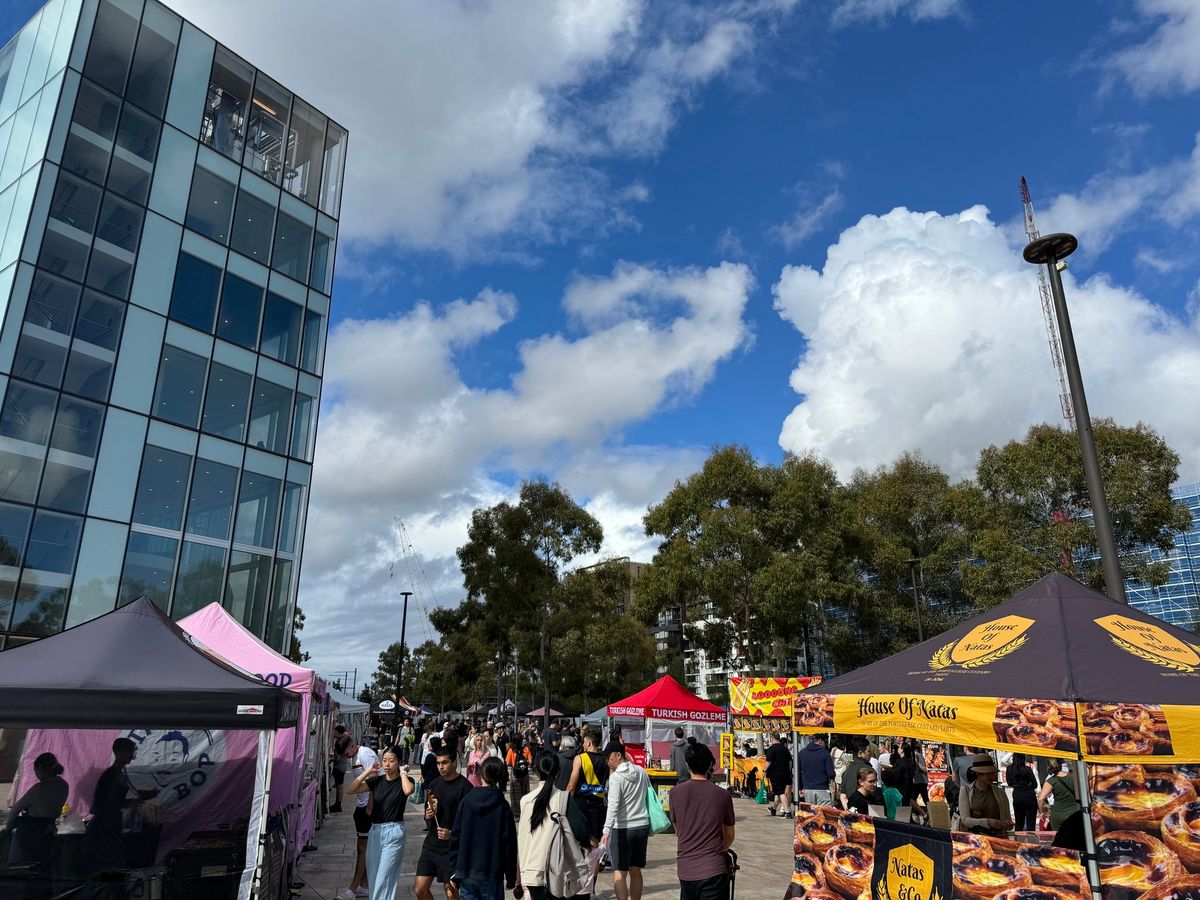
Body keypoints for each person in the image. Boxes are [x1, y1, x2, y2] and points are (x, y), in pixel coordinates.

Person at [517, 753, 594, 900]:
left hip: (531, 871)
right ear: (558, 772)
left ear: (536, 771)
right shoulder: (563, 799)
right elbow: (582, 830)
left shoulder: (525, 801)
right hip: (557, 872)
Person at [346, 746, 414, 900]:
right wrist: (368, 772)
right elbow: (350, 790)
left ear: (399, 762)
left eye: (392, 760)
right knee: (375, 877)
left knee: (384, 878)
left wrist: (403, 772)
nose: (387, 764)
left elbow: (408, 791)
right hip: (375, 832)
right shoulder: (377, 781)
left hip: (394, 832)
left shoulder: (405, 780)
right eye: (384, 760)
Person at [669, 743, 735, 900]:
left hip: (686, 868)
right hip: (714, 867)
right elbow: (730, 833)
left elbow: (678, 830)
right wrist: (719, 850)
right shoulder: (722, 795)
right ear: (710, 765)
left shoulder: (675, 793)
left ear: (687, 765)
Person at [83, 738, 156, 878]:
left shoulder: (117, 775)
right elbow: (108, 804)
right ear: (118, 752)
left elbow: (114, 801)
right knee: (108, 870)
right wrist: (134, 802)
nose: (132, 756)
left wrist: (137, 799)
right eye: (129, 752)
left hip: (110, 826)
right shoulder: (112, 775)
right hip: (105, 829)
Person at [449, 757, 517, 900]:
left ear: (481, 774)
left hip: (467, 869)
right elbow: (509, 845)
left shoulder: (467, 800)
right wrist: (511, 876)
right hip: (492, 871)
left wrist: (454, 869)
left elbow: (456, 836)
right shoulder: (502, 806)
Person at [416, 744, 474, 900]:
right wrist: (428, 814)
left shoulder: (466, 787)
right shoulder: (434, 784)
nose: (440, 767)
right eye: (438, 763)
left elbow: (471, 823)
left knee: (451, 892)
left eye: (444, 762)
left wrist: (452, 834)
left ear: (454, 762)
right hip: (431, 845)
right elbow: (430, 809)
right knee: (420, 889)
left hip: (452, 849)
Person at [6, 750, 69, 879]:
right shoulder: (64, 786)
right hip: (48, 831)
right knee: (40, 868)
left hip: (29, 831)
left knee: (16, 866)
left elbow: (15, 810)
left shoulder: (39, 789)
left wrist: (8, 828)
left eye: (35, 770)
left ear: (41, 769)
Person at [602, 741, 650, 900]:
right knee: (636, 870)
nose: (607, 761)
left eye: (608, 757)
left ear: (618, 755)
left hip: (622, 828)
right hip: (642, 826)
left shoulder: (616, 777)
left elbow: (613, 806)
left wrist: (606, 830)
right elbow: (648, 793)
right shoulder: (641, 771)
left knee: (619, 873)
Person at [336, 735, 380, 900]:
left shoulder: (365, 754)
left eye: (346, 751)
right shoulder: (355, 755)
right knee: (363, 848)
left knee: (363, 849)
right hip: (361, 806)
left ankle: (353, 888)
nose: (345, 755)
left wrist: (370, 804)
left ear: (352, 745)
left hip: (367, 808)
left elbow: (375, 778)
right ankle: (364, 885)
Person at [567, 725, 610, 847]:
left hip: (581, 804)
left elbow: (571, 785)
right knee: (595, 840)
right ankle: (594, 864)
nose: (583, 745)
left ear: (590, 743)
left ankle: (581, 864)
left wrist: (567, 803)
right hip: (598, 804)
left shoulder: (580, 758)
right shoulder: (606, 760)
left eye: (585, 742)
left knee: (578, 838)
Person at [958, 752, 1012, 837]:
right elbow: (965, 820)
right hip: (976, 841)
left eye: (993, 773)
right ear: (978, 774)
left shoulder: (1000, 793)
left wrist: (1007, 824)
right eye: (989, 773)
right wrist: (988, 822)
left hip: (998, 839)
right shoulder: (966, 791)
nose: (993, 776)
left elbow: (1007, 819)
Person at [1038, 760, 1082, 833]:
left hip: (1059, 815)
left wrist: (1042, 812)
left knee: (1059, 840)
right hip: (1075, 813)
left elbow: (1041, 799)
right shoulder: (1074, 777)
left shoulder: (1050, 781)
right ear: (1061, 765)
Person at [798, 734, 836, 806]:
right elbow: (831, 773)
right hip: (822, 789)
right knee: (824, 814)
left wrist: (800, 787)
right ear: (821, 741)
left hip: (807, 789)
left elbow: (798, 773)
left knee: (811, 815)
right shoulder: (825, 753)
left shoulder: (802, 753)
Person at [1006, 752, 1039, 832]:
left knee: (1019, 821)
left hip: (1017, 794)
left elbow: (1009, 783)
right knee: (1031, 822)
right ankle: (1032, 841)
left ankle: (1018, 841)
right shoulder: (1027, 769)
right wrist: (1028, 787)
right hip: (1029, 794)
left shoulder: (1009, 769)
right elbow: (1035, 784)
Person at [838, 737, 873, 810]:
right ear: (860, 753)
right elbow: (874, 793)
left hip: (851, 811)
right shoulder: (869, 770)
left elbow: (843, 795)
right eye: (868, 751)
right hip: (866, 811)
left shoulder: (846, 771)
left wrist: (849, 809)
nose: (870, 754)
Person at [764, 732, 793, 817]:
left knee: (780, 792)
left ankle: (787, 812)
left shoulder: (772, 749)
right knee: (778, 792)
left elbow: (768, 761)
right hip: (786, 773)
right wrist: (789, 770)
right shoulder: (785, 749)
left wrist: (764, 770)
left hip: (775, 774)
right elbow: (790, 762)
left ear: (772, 738)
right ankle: (773, 808)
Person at [331, 724, 350, 812]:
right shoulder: (344, 740)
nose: (333, 733)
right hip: (344, 764)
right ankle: (337, 804)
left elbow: (337, 758)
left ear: (338, 732)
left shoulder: (339, 742)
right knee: (339, 785)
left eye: (334, 732)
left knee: (339, 785)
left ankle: (338, 805)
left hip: (339, 766)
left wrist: (332, 759)